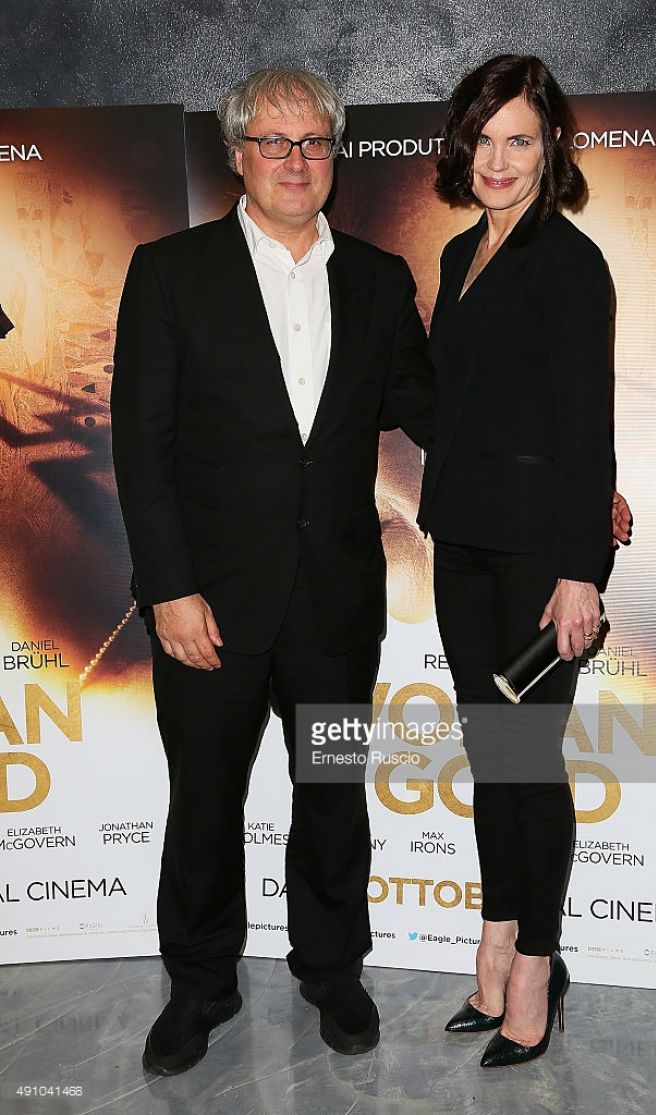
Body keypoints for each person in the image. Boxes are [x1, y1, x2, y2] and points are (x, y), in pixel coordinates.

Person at [111, 67, 434, 1075]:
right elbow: (141, 445)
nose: (296, 160)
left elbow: (438, 410)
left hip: (334, 609)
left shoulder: (379, 279)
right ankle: (199, 983)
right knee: (205, 801)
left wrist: (566, 477)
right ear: (238, 154)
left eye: (314, 142)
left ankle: (332, 968)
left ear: (335, 154)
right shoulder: (170, 271)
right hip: (206, 607)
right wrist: (168, 587)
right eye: (274, 141)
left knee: (331, 790)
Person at [418, 54, 624, 1067]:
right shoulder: (460, 253)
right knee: (491, 757)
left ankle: (536, 962)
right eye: (484, 139)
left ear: (551, 151)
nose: (498, 160)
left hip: (540, 560)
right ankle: (497, 935)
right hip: (460, 544)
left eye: (520, 141)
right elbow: (454, 404)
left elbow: (588, 423)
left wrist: (582, 566)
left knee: (527, 765)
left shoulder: (570, 262)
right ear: (463, 146)